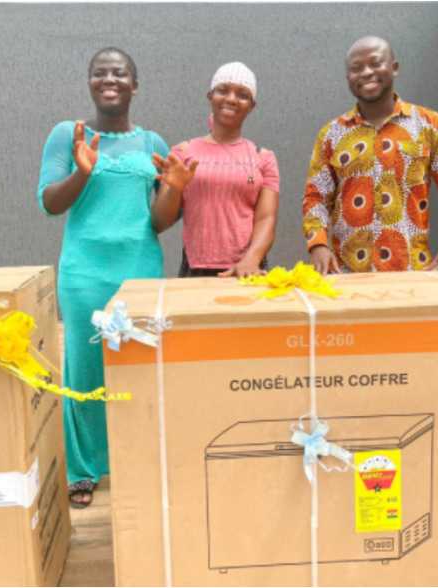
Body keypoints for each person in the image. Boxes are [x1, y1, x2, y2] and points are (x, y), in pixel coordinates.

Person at [37, 47, 172, 508]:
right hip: (84, 274)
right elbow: (51, 202)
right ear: (90, 82)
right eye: (100, 73)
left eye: (120, 73)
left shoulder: (154, 144)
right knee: (86, 366)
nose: (109, 79)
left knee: (140, 365)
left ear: (135, 85)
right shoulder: (67, 135)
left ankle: (140, 459)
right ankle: (84, 468)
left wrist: (175, 189)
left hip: (140, 271)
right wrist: (81, 171)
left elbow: (159, 220)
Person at [303, 36, 438, 274]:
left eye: (375, 63)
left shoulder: (429, 124)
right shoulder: (331, 134)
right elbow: (316, 197)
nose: (366, 72)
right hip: (346, 275)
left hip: (412, 273)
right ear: (348, 79)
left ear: (394, 68)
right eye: (356, 68)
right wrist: (318, 244)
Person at [151, 62, 280, 277]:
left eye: (242, 94)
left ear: (251, 105)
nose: (231, 98)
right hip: (195, 269)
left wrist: (251, 260)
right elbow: (159, 223)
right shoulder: (183, 152)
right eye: (223, 90)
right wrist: (174, 188)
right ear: (210, 96)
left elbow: (266, 219)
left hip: (248, 270)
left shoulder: (263, 157)